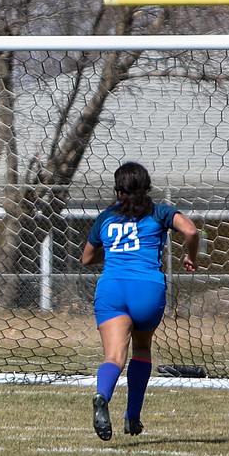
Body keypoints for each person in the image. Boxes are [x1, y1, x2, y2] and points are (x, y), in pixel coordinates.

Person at [81, 161, 200, 441]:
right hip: (147, 289)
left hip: (112, 288)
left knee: (113, 356)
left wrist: (111, 251)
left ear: (118, 189)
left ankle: (102, 395)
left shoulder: (106, 217)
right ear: (147, 187)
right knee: (142, 349)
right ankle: (132, 417)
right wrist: (190, 256)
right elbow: (192, 231)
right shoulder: (160, 212)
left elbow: (86, 258)